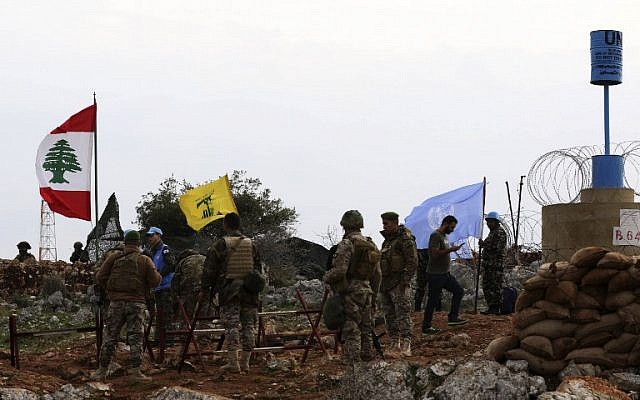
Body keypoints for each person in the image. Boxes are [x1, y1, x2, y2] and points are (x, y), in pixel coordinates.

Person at [91, 230, 161, 382]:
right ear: (138, 243)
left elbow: (100, 276)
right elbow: (155, 281)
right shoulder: (145, 260)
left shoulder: (114, 258)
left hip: (116, 303)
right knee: (136, 337)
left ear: (125, 242)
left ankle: (101, 371)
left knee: (110, 337)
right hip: (137, 303)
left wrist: (111, 291)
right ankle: (136, 372)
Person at [199, 213, 263, 373]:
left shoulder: (221, 244)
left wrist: (205, 289)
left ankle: (233, 362)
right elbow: (258, 269)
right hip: (250, 292)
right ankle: (245, 363)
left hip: (230, 292)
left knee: (232, 326)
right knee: (249, 326)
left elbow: (209, 270)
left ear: (226, 225)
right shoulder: (251, 244)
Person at [324, 210, 381, 364]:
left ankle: (353, 364)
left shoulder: (347, 243)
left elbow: (340, 270)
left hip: (350, 292)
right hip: (366, 291)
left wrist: (326, 277)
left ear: (344, 225)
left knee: (351, 329)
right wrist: (374, 295)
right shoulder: (370, 244)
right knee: (366, 329)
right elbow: (377, 274)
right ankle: (367, 362)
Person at [379, 211, 417, 356]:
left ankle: (406, 344)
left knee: (402, 314)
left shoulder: (405, 240)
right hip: (386, 283)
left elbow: (412, 261)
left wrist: (405, 281)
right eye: (383, 223)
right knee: (389, 315)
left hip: (399, 283)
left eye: (386, 223)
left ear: (395, 223)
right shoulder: (387, 241)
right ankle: (394, 343)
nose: (384, 226)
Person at [422, 215, 468, 335]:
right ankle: (426, 327)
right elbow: (435, 254)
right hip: (435, 275)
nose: (453, 230)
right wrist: (451, 250)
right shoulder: (435, 236)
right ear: (446, 223)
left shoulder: (444, 237)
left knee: (458, 291)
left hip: (445, 274)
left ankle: (453, 318)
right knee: (433, 300)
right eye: (452, 227)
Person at [145, 227, 176, 328]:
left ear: (159, 235)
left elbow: (171, 265)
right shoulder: (152, 252)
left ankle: (168, 337)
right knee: (159, 313)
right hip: (158, 288)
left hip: (166, 287)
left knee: (166, 313)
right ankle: (160, 338)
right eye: (148, 236)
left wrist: (158, 276)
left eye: (152, 235)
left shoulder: (165, 249)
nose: (150, 238)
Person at [479, 211, 508, 315]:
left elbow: (497, 248)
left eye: (490, 222)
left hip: (495, 266)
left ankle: (496, 308)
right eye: (487, 222)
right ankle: (491, 307)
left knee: (495, 287)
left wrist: (484, 245)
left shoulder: (500, 233)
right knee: (487, 286)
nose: (488, 224)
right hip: (488, 265)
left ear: (496, 222)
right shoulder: (492, 233)